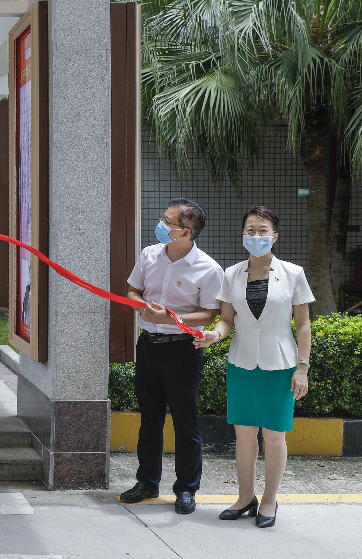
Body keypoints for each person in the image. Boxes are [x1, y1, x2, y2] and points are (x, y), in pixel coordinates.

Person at [196, 206, 312, 528]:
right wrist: (213, 336)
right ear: (242, 234)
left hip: (280, 365)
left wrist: (301, 368)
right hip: (242, 363)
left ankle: (270, 500)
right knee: (244, 435)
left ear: (275, 236)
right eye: (250, 229)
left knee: (275, 436)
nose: (256, 235)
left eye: (262, 230)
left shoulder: (293, 273)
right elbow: (226, 321)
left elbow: (303, 325)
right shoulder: (230, 274)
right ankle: (245, 497)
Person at [120, 198, 224, 514]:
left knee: (185, 421)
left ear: (186, 232)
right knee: (149, 419)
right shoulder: (149, 255)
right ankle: (148, 482)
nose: (161, 225)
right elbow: (132, 290)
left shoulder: (208, 269)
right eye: (163, 219)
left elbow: (209, 314)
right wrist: (142, 306)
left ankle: (186, 489)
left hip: (183, 351)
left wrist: (169, 318)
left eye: (169, 222)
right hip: (148, 347)